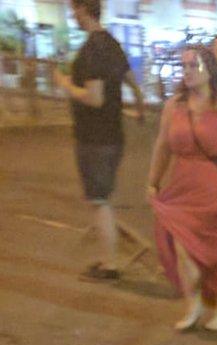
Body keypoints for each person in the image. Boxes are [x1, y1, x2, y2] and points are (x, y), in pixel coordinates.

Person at [147, 45, 217, 332]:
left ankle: (216, 306)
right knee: (185, 249)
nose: (187, 72)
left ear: (209, 69)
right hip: (182, 187)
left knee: (214, 252)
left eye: (194, 66)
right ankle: (193, 304)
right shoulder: (174, 107)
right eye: (183, 67)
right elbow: (162, 147)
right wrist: (153, 180)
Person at [54, 0, 144, 282]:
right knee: (101, 198)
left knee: (99, 201)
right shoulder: (112, 43)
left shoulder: (92, 50)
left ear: (83, 10)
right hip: (112, 135)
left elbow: (95, 98)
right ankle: (110, 256)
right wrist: (139, 107)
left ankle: (110, 265)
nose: (72, 16)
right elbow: (130, 80)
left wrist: (65, 84)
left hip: (95, 138)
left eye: (74, 11)